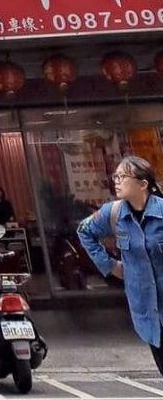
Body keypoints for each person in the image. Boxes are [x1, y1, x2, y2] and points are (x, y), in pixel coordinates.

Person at [79, 156, 163, 374]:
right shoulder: (113, 213)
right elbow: (84, 231)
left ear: (143, 184)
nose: (116, 181)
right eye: (115, 176)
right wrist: (109, 266)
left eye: (122, 176)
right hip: (146, 310)